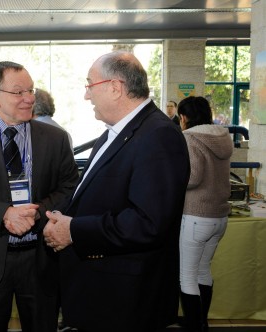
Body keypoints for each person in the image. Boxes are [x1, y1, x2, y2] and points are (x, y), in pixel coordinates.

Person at [42, 51, 191, 332]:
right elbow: (96, 194)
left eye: (90, 85)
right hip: (104, 293)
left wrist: (73, 230)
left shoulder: (158, 135)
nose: (87, 96)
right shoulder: (117, 131)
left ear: (115, 87)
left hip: (127, 300)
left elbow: (148, 223)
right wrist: (58, 217)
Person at [0, 61, 79, 332]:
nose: (29, 98)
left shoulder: (56, 138)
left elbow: (69, 186)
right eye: (18, 92)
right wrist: (4, 214)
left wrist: (36, 212)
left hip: (40, 258)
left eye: (30, 90)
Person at [177, 96, 233, 332]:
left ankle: (194, 326)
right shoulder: (222, 136)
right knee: (203, 270)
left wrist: (171, 177)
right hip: (219, 216)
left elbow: (193, 177)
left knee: (187, 276)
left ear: (184, 117)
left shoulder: (190, 138)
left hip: (196, 215)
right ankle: (202, 321)